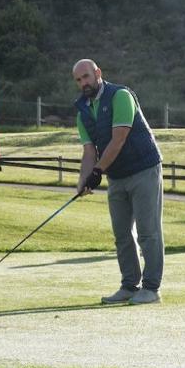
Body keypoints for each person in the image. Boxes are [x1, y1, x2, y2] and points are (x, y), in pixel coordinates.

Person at [72, 59, 164, 305]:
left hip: (144, 169)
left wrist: (97, 172)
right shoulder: (82, 109)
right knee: (122, 234)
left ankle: (151, 288)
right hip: (117, 176)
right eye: (79, 80)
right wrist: (83, 180)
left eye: (86, 77)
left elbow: (119, 139)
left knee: (148, 232)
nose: (84, 83)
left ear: (98, 73)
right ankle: (129, 286)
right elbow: (90, 151)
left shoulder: (120, 96)